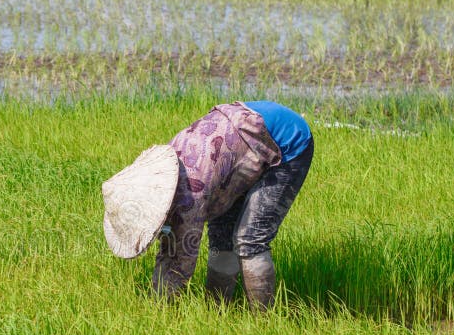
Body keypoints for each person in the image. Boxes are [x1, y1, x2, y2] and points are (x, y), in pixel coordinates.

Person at [102, 101, 313, 310]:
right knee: (221, 237)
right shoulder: (167, 163)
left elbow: (178, 262)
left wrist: (157, 310)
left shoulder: (189, 198)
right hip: (242, 139)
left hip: (287, 141)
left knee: (250, 239)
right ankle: (217, 311)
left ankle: (263, 322)